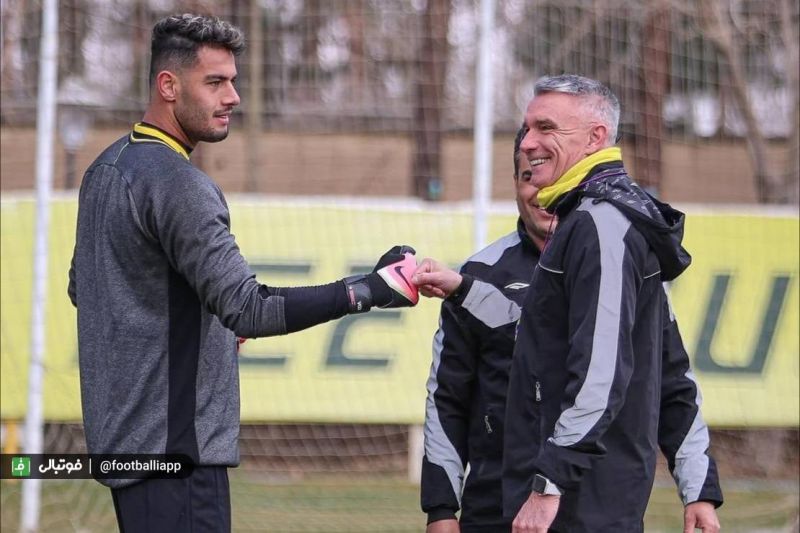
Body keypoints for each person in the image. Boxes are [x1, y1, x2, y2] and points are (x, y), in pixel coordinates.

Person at [67, 14, 418, 533]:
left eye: (232, 81)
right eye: (215, 82)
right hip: (178, 458)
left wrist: (204, 332)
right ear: (168, 85)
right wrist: (374, 288)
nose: (232, 96)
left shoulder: (104, 169)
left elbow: (87, 287)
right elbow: (250, 308)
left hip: (128, 454)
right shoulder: (177, 183)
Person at [414, 75, 723, 533]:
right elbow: (537, 341)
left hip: (573, 504)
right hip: (513, 501)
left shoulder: (601, 227)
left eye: (546, 128)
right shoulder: (567, 236)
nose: (530, 144)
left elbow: (619, 373)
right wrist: (463, 290)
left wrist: (549, 484)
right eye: (527, 133)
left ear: (596, 138)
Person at [418, 125, 556, 532]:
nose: (541, 190)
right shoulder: (479, 272)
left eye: (553, 175)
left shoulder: (615, 269)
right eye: (528, 176)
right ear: (514, 183)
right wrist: (441, 509)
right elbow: (447, 398)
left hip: (593, 507)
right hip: (493, 508)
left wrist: (699, 492)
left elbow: (667, 381)